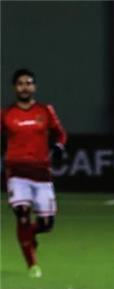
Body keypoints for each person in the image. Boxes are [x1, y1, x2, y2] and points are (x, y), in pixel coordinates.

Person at [1, 68, 67, 278]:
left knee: (46, 224)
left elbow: (60, 134)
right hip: (16, 173)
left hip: (41, 175)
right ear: (15, 87)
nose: (24, 87)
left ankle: (28, 236)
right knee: (22, 213)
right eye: (20, 83)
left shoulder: (45, 111)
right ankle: (32, 264)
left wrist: (59, 146)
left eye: (28, 83)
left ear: (34, 87)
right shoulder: (6, 114)